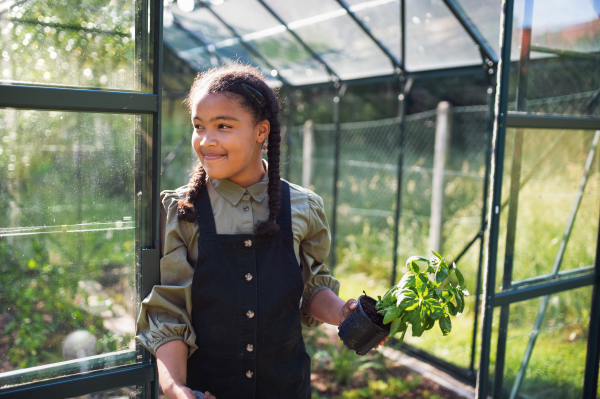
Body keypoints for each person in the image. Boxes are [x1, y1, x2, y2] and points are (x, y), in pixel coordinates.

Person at [135, 63, 387, 399]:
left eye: (223, 126)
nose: (207, 141)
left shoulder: (303, 206)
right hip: (208, 389)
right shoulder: (183, 211)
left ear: (261, 131)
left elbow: (311, 289)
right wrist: (175, 387)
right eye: (199, 126)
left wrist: (343, 312)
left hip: (286, 387)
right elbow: (169, 311)